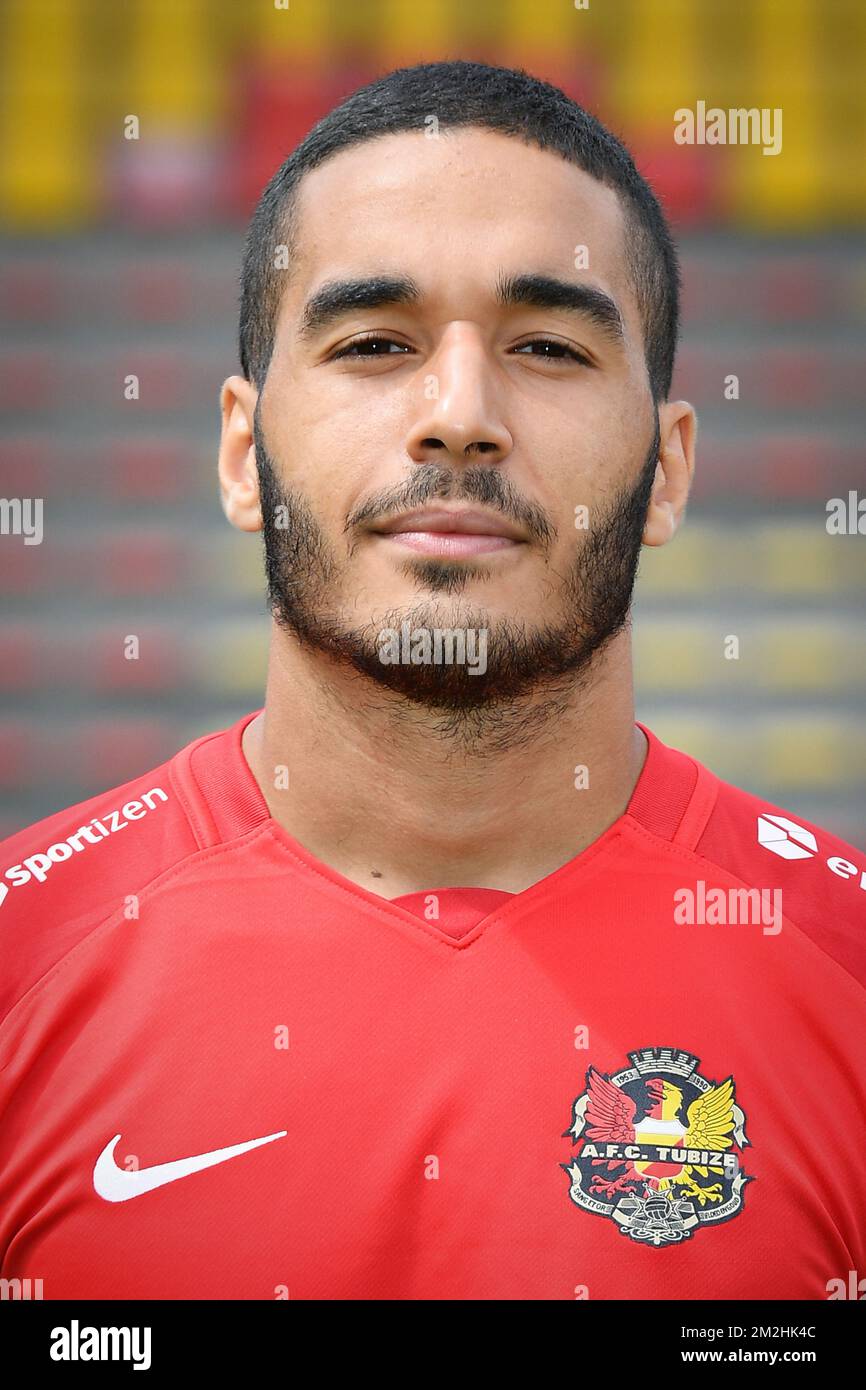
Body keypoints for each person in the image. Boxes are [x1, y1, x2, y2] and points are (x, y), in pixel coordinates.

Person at [1, 61, 863, 1301]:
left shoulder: (845, 970)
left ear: (667, 470)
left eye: (550, 346)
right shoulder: (22, 960)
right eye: (372, 342)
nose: (459, 414)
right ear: (243, 453)